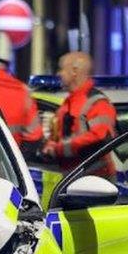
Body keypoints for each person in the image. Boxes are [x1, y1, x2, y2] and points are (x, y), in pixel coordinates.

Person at [41, 52, 117, 180]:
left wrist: (58, 148)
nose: (59, 74)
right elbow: (57, 136)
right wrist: (50, 145)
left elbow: (100, 136)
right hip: (72, 177)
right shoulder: (68, 103)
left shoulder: (98, 103)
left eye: (62, 69)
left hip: (96, 180)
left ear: (74, 71)